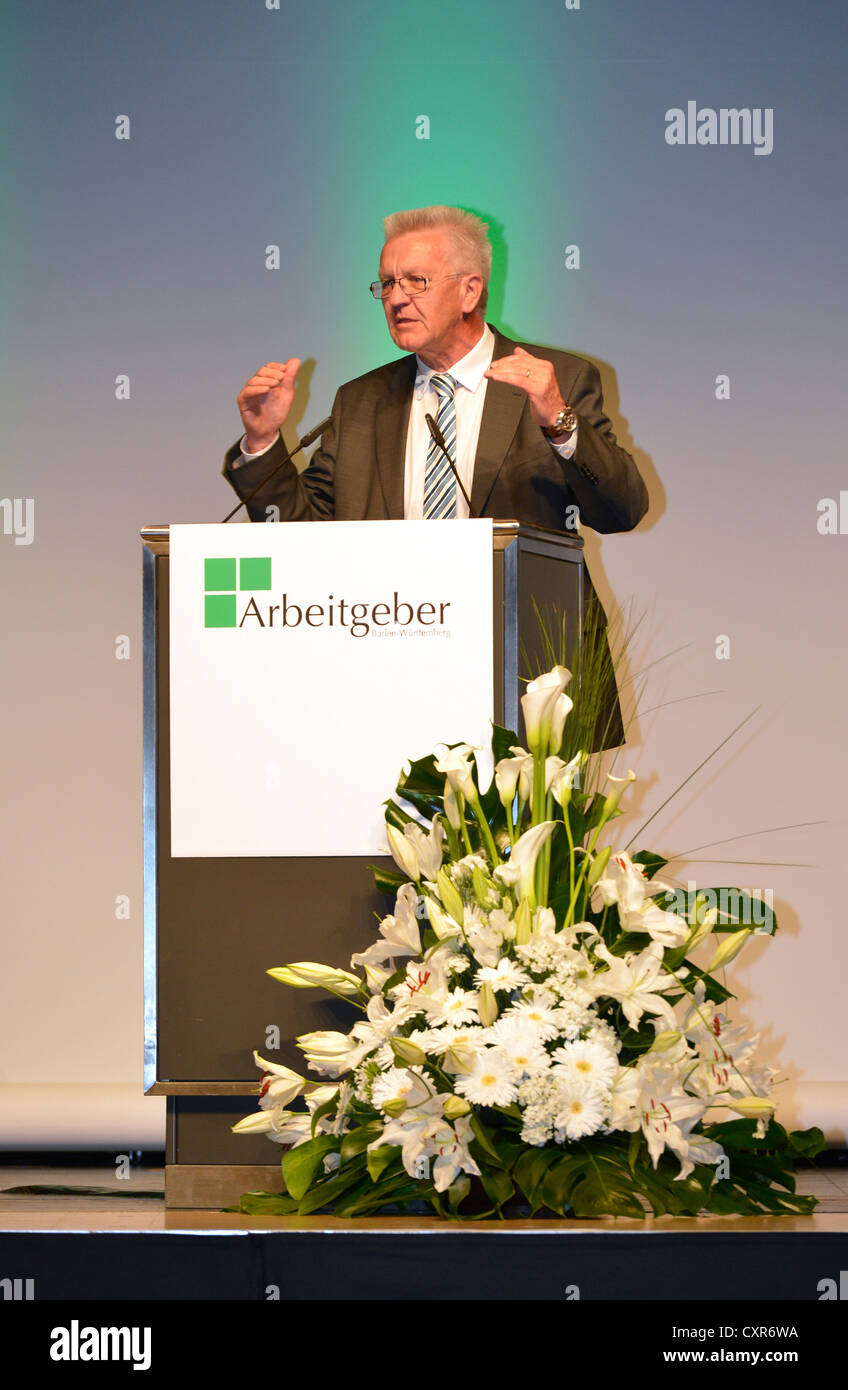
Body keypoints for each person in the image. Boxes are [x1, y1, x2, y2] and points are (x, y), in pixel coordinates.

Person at [223, 205, 649, 743]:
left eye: (415, 281)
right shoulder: (361, 401)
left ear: (470, 291)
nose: (397, 298)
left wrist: (560, 420)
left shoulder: (554, 380)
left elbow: (622, 511)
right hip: (387, 674)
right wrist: (263, 444)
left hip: (527, 681)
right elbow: (305, 535)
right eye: (386, 283)